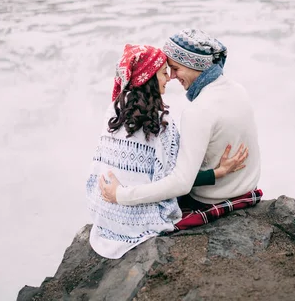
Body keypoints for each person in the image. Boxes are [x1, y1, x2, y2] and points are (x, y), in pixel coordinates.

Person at [86, 44, 247, 259]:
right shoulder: (161, 125)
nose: (169, 78)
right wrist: (217, 173)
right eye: (163, 73)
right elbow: (177, 181)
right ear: (149, 79)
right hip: (138, 221)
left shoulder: (114, 110)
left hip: (105, 216)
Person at [100, 29, 262, 231]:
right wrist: (218, 172)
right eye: (168, 71)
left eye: (175, 69)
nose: (173, 77)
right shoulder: (238, 89)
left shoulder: (199, 110)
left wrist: (120, 195)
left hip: (214, 197)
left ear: (195, 65)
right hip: (246, 187)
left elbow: (181, 184)